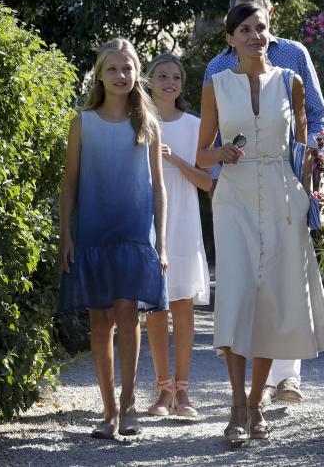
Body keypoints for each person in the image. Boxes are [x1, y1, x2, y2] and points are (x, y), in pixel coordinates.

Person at [197, 3, 324, 441]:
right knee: (237, 298)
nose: (255, 35)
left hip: (282, 195)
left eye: (261, 28)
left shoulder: (291, 81)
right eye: (245, 29)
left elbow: (300, 148)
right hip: (234, 198)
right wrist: (220, 154)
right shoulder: (215, 85)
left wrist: (313, 186)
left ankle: (255, 406)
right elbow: (202, 153)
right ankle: (236, 404)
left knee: (272, 303)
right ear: (230, 38)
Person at [58, 38, 168, 439]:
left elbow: (159, 187)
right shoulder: (81, 122)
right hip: (92, 232)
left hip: (135, 232)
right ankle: (107, 412)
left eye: (128, 68)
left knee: (128, 315)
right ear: (100, 74)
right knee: (100, 321)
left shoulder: (147, 124)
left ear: (137, 72)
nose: (122, 76)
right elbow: (69, 183)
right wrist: (65, 235)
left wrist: (164, 243)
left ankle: (130, 405)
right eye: (113, 69)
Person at [144, 53, 211, 418]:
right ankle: (161, 392)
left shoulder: (194, 125)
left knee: (182, 306)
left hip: (184, 223)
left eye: (176, 77)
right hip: (149, 222)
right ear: (149, 81)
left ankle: (183, 393)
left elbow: (207, 183)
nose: (170, 82)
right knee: (155, 307)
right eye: (162, 76)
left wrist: (172, 159)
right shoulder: (138, 122)